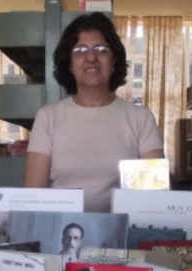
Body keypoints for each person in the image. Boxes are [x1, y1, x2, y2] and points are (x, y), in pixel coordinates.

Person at [24, 12, 164, 212]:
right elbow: (33, 196)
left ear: (114, 60)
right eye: (80, 50)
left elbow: (155, 197)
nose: (91, 57)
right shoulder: (48, 117)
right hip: (60, 231)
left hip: (121, 234)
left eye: (101, 49)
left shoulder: (140, 118)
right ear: (69, 64)